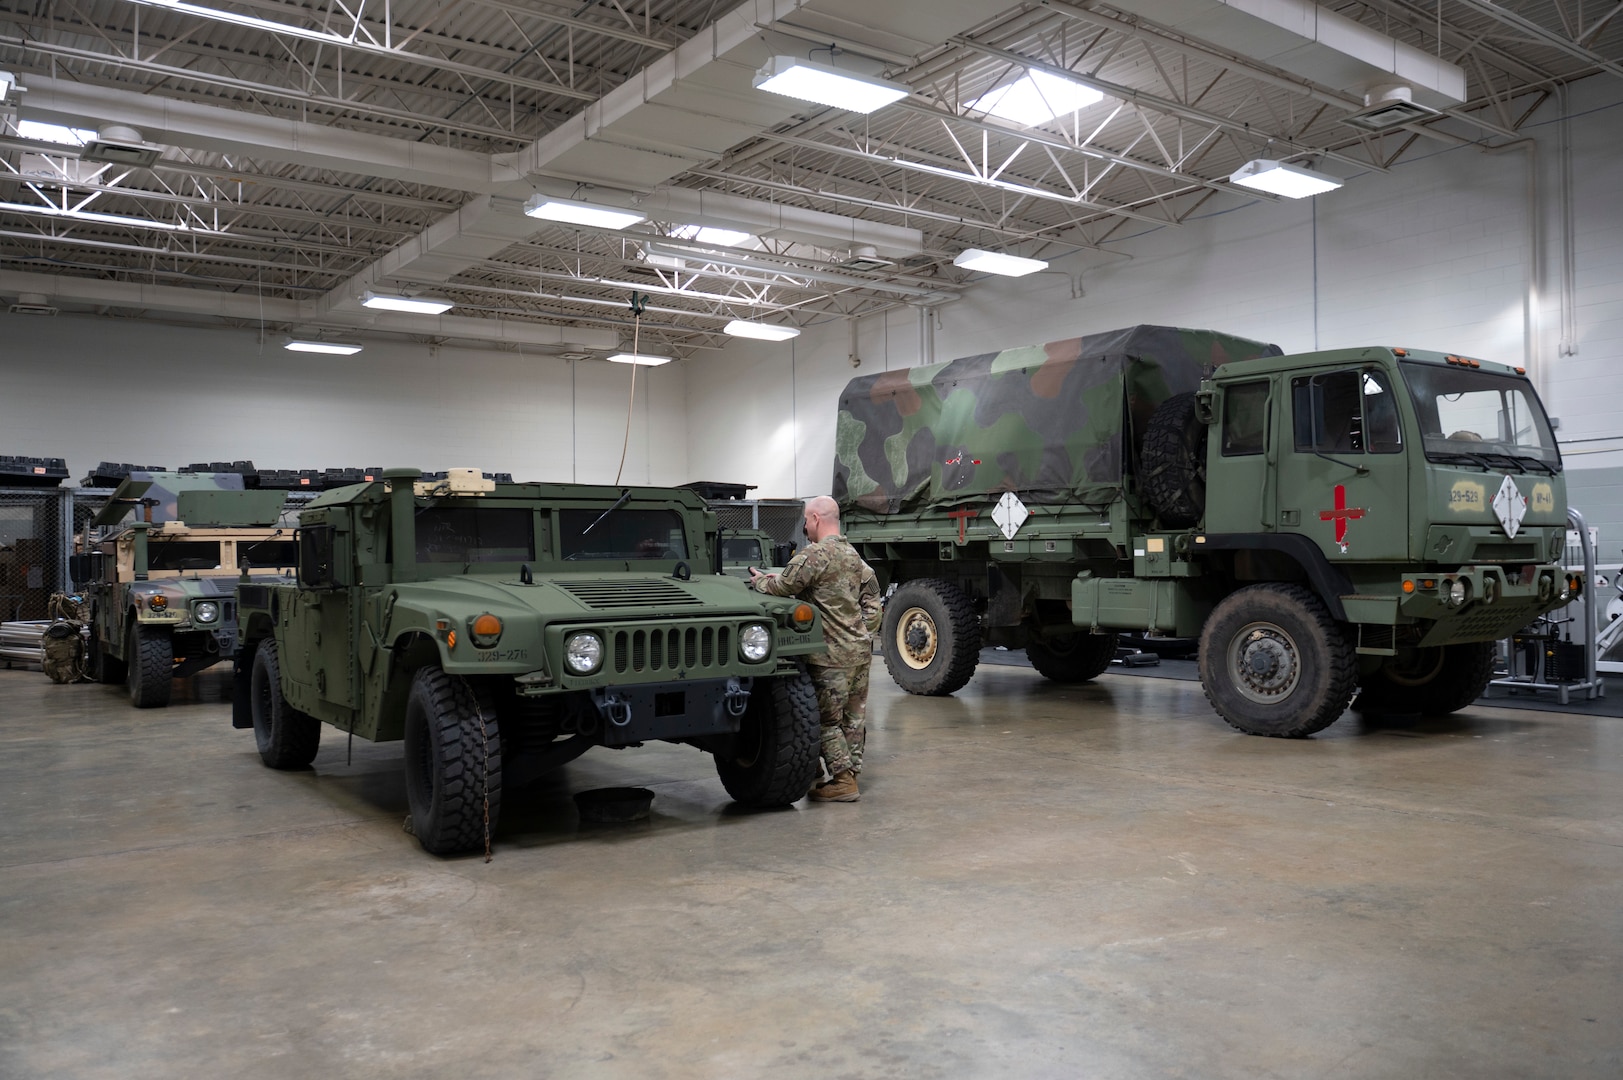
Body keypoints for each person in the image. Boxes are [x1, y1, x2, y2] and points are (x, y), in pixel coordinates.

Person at [750, 496, 875, 803]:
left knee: (824, 719)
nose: (805, 526)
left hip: (830, 655)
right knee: (853, 717)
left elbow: (782, 587)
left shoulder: (816, 555)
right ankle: (849, 773)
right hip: (860, 651)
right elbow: (873, 605)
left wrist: (760, 583)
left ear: (817, 519)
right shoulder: (854, 556)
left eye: (806, 520)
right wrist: (862, 634)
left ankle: (843, 781)